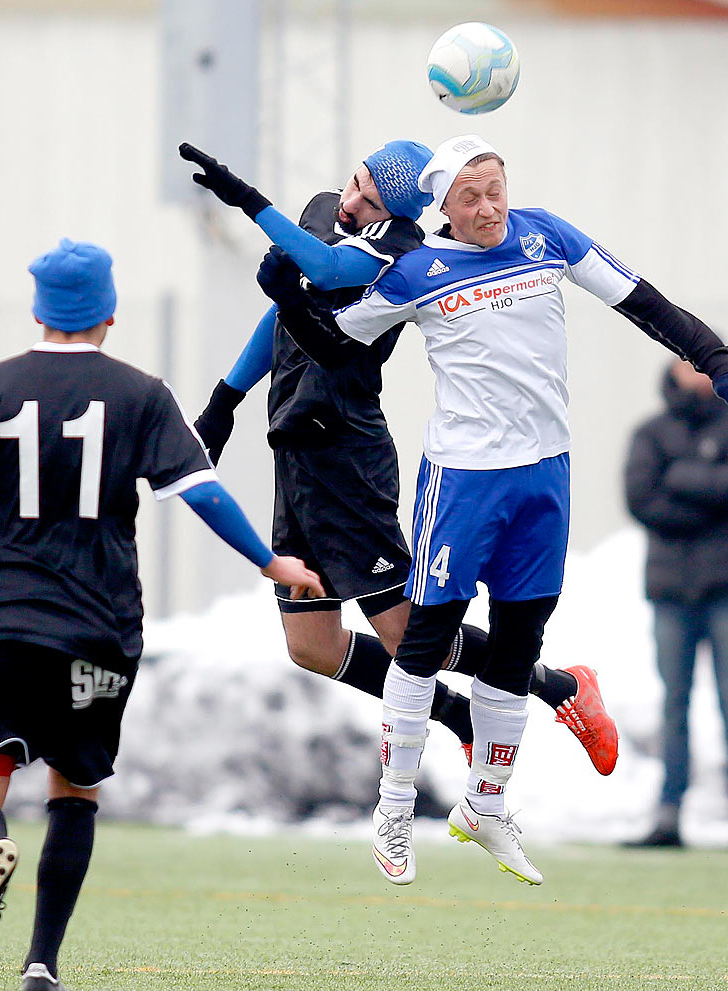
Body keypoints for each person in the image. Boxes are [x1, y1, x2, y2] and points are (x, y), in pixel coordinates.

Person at [259, 133, 728, 886]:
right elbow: (334, 345)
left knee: (516, 639)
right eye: (471, 196)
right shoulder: (415, 271)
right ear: (443, 210)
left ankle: (485, 805)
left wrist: (715, 360)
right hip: (462, 480)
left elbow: (643, 302)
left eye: (496, 188)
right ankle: (394, 809)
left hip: (544, 478)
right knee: (419, 639)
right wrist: (286, 299)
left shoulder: (546, 235)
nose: (489, 205)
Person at [0, 239, 322, 991]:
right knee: (75, 787)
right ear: (109, 312)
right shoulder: (139, 394)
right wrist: (272, 563)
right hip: (97, 630)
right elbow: (199, 491)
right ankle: (41, 968)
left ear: (37, 309)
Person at [177, 141, 618, 778]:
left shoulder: (401, 252)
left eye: (371, 199)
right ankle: (463, 716)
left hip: (347, 459)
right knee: (311, 646)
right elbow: (283, 308)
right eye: (353, 184)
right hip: (295, 453)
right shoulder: (325, 211)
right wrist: (226, 399)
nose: (351, 202)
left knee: (415, 641)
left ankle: (561, 688)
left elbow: (325, 273)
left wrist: (248, 201)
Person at [622, 359, 728, 852]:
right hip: (672, 590)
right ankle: (669, 814)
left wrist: (680, 478)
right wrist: (708, 489)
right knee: (674, 704)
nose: (694, 374)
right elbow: (641, 499)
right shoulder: (650, 432)